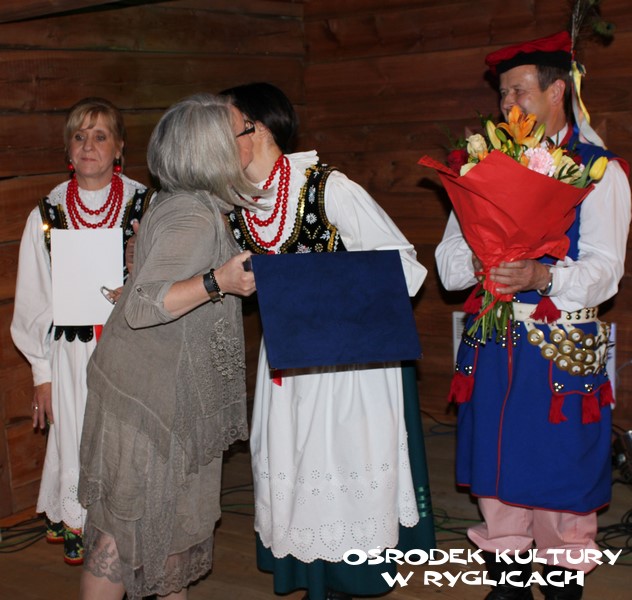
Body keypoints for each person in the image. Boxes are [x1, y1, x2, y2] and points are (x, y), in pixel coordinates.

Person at [435, 31, 631, 600]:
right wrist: (479, 260)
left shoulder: (599, 170)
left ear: (558, 92)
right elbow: (447, 266)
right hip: (494, 338)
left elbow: (607, 270)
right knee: (496, 455)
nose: (507, 104)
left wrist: (543, 278)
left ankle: (563, 584)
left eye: (519, 91)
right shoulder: (483, 165)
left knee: (560, 461)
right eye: (502, 94)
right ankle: (509, 582)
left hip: (560, 341)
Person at [220, 82, 435, 600]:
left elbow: (404, 267)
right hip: (286, 362)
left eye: (222, 127)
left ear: (258, 128)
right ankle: (313, 578)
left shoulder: (328, 189)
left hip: (348, 365)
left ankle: (349, 580)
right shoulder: (234, 206)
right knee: (296, 467)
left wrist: (328, 288)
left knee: (344, 465)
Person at [76, 93, 259, 599]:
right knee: (121, 537)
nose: (252, 136)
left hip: (163, 397)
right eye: (244, 129)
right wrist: (219, 281)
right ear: (213, 149)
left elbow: (150, 278)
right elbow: (143, 306)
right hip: (147, 405)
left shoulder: (186, 203)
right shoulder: (192, 216)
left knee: (167, 537)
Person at [11, 97, 154, 565]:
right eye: (79, 136)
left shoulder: (146, 205)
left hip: (134, 350)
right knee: (78, 443)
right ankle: (96, 548)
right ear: (68, 150)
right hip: (73, 357)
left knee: (133, 445)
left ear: (120, 148)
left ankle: (137, 539)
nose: (88, 145)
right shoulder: (47, 214)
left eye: (100, 136)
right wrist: (42, 375)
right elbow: (33, 298)